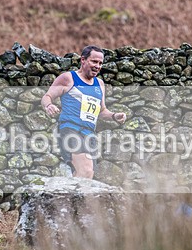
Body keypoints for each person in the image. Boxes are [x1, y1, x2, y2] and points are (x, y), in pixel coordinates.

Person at [41, 45, 127, 179]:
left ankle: (68, 199)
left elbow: (102, 110)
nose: (97, 66)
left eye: (100, 63)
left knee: (86, 174)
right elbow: (47, 97)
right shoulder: (68, 78)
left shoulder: (99, 84)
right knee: (85, 170)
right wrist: (49, 106)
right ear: (83, 60)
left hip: (89, 134)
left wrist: (114, 116)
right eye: (94, 61)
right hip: (70, 129)